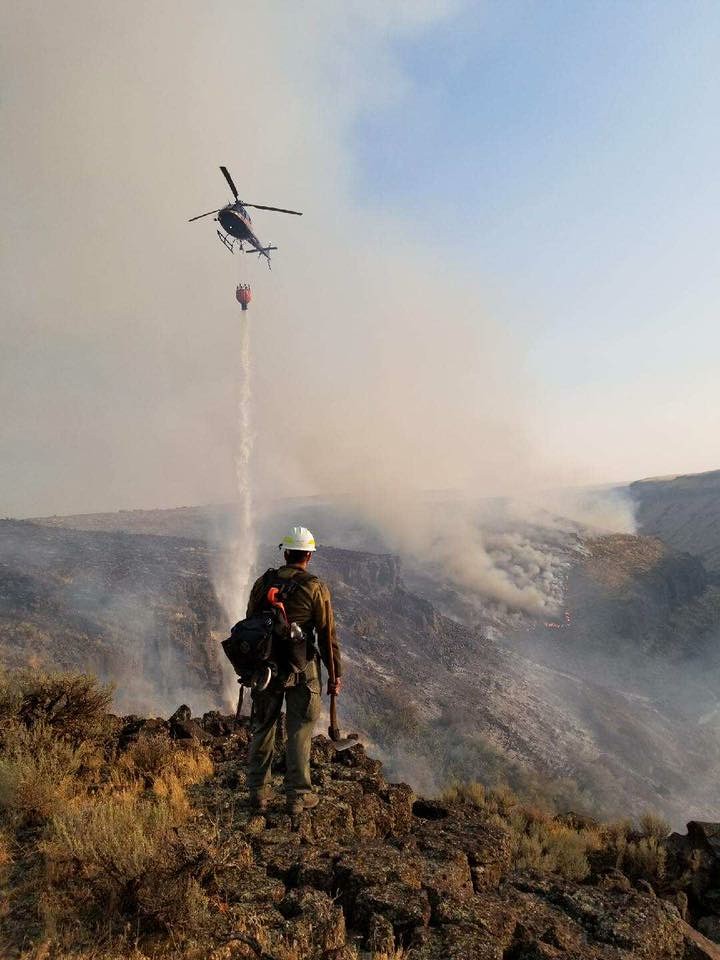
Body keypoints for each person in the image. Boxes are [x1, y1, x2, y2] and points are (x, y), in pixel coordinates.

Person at [245, 526, 342, 815]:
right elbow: (327, 635)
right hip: (303, 667)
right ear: (308, 556)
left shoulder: (264, 583)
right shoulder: (315, 588)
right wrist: (335, 675)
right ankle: (298, 796)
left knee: (263, 726)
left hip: (266, 668)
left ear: (286, 553)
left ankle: (258, 794)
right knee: (300, 729)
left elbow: (251, 622)